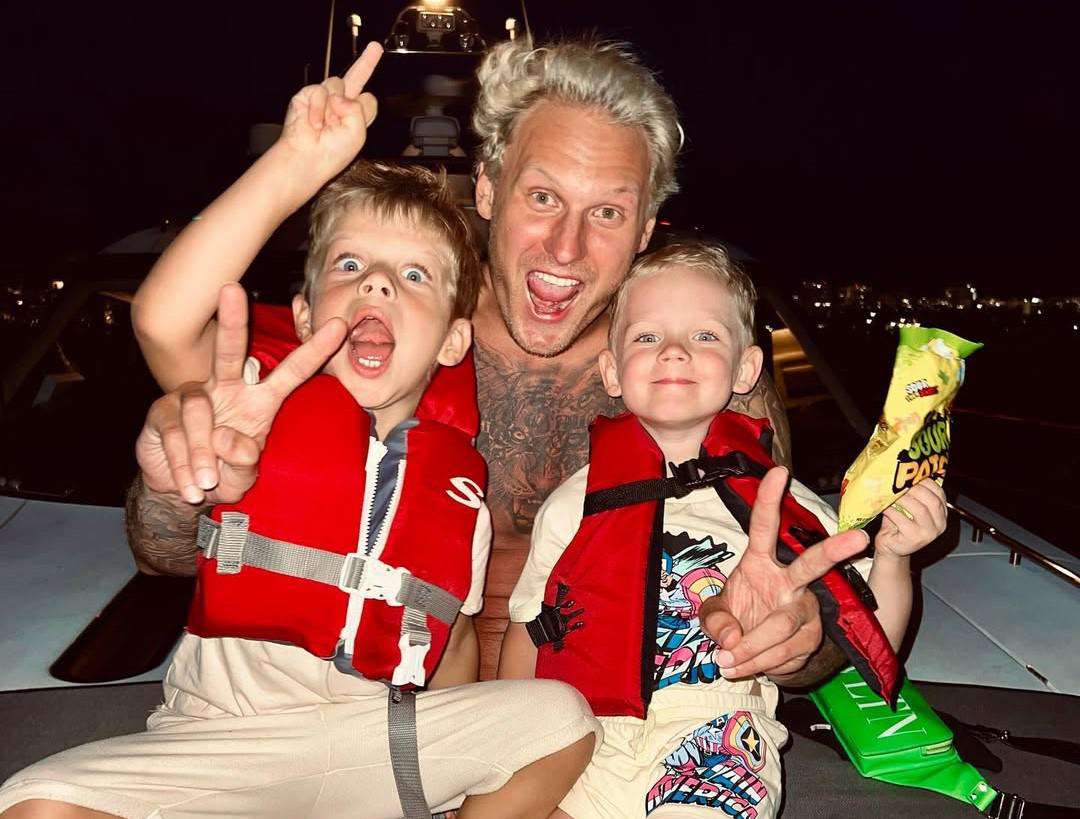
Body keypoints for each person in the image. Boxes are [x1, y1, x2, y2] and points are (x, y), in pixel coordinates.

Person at [127, 36, 851, 721]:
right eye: (542, 197)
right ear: (487, 190)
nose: (565, 247)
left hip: (605, 741)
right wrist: (182, 482)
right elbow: (161, 551)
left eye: (607, 212)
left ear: (644, 228)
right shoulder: (384, 338)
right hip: (374, 717)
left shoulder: (703, 379)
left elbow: (799, 595)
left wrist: (798, 640)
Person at [0, 44, 599, 819]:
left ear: (454, 340)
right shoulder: (249, 405)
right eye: (350, 265)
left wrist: (449, 789)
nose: (377, 282)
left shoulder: (459, 493)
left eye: (414, 275)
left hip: (378, 745)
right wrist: (294, 165)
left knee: (557, 718)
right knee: (37, 803)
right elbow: (161, 319)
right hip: (224, 741)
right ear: (308, 314)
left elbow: (448, 642)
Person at [499, 239, 948, 818]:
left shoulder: (781, 498)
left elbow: (870, 631)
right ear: (612, 371)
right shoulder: (570, 504)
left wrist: (893, 556)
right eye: (647, 337)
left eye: (705, 336)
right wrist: (513, 741)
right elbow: (531, 631)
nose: (674, 351)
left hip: (721, 737)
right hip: (586, 734)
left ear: (746, 368)